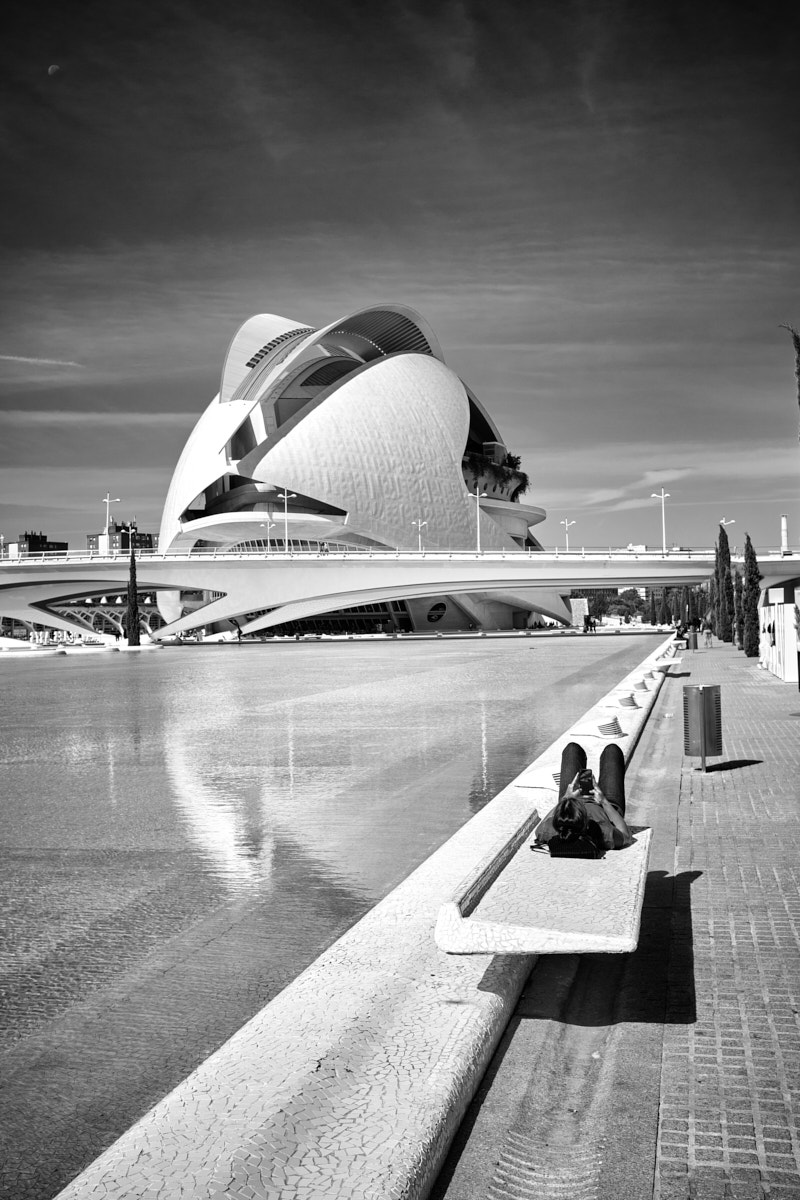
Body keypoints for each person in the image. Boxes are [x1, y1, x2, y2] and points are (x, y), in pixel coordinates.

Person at [534, 741, 634, 858]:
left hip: (570, 801)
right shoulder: (601, 832)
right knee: (612, 750)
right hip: (606, 806)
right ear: (587, 823)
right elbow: (626, 836)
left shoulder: (554, 829)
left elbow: (539, 830)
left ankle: (571, 800)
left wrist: (566, 799)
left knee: (572, 749)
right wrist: (603, 801)